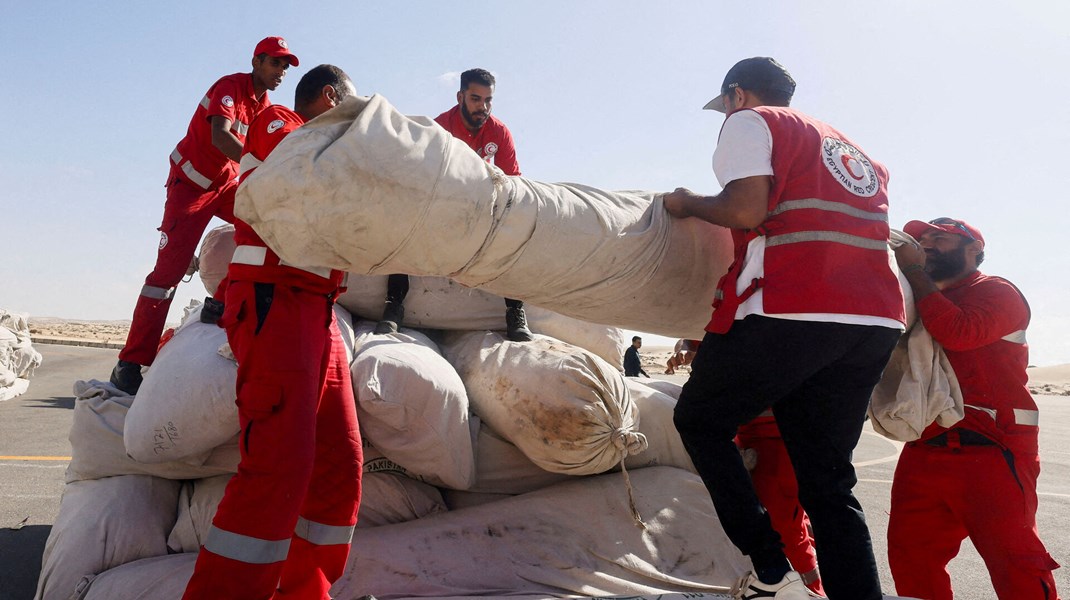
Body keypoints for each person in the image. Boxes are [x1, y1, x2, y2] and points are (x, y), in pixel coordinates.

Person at [663, 57, 904, 600]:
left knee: (700, 419)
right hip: (873, 319)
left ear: (737, 94)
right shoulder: (850, 148)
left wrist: (687, 203)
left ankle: (769, 566)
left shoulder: (752, 121)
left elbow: (746, 209)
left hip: (796, 306)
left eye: (724, 105)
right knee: (828, 483)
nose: (723, 113)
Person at [182, 65, 364, 600]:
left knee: (340, 460)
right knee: (279, 466)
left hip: (318, 313)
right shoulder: (279, 123)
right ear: (330, 97)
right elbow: (299, 175)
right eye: (349, 107)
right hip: (274, 302)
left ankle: (306, 591)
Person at [110, 37, 298, 395]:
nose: (281, 72)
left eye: (286, 67)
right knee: (164, 277)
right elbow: (220, 136)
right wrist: (262, 165)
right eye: (275, 63)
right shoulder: (229, 87)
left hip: (225, 186)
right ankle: (129, 363)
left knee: (261, 226)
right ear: (256, 62)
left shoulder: (266, 106)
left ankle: (220, 301)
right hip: (191, 190)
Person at [888, 218, 1060, 599]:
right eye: (921, 239)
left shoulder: (996, 291)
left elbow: (958, 332)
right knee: (911, 557)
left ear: (974, 251)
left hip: (992, 447)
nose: (927, 243)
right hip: (925, 447)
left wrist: (914, 269)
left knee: (1015, 560)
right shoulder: (912, 295)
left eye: (940, 238)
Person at [374, 68, 532, 342]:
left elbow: (513, 183)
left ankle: (515, 311)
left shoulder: (499, 132)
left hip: (483, 209)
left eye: (488, 100)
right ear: (460, 96)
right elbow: (420, 177)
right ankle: (393, 306)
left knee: (517, 222)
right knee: (403, 218)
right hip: (442, 205)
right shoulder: (439, 128)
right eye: (475, 99)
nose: (482, 107)